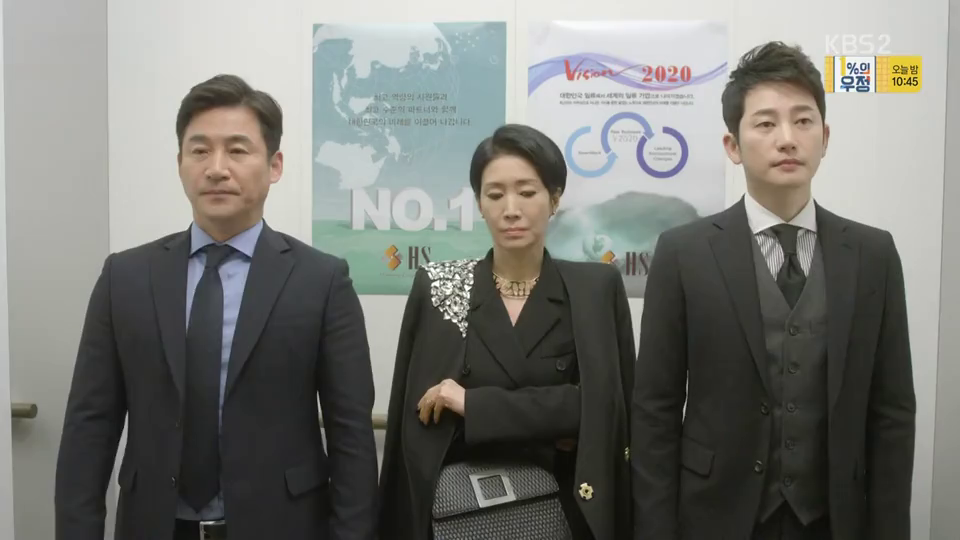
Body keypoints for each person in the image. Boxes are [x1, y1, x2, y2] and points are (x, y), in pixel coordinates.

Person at [54, 74, 379, 540]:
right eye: (200, 150)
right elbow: (89, 427)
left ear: (274, 165)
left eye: (237, 150)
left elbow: (351, 437)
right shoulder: (125, 277)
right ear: (180, 163)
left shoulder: (322, 281)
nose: (216, 168)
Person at [630, 41, 917, 540]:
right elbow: (655, 409)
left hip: (834, 519)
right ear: (733, 146)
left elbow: (892, 412)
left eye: (803, 121)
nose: (787, 139)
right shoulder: (683, 253)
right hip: (715, 516)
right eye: (765, 124)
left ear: (825, 137)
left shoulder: (873, 254)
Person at [377, 124, 635, 539]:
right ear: (479, 203)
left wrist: (472, 405)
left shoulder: (595, 288)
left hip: (566, 516)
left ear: (554, 198)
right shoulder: (439, 286)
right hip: (458, 517)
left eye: (527, 192)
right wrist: (552, 421)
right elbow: (420, 427)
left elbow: (606, 409)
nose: (510, 209)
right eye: (494, 195)